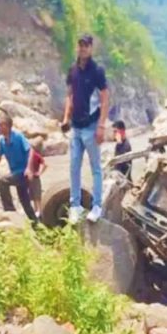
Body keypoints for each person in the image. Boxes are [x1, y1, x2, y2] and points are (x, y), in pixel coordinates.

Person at [62, 33, 110, 224]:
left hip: (91, 126)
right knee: (74, 166)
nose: (82, 48)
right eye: (80, 45)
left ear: (91, 48)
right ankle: (75, 206)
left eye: (86, 45)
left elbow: (105, 99)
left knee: (95, 167)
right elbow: (70, 95)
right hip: (75, 127)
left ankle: (97, 206)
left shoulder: (97, 71)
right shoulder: (72, 70)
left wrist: (101, 126)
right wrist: (65, 118)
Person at [0, 114, 37, 223]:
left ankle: (9, 210)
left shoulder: (18, 137)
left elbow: (31, 151)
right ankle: (36, 224)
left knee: (2, 181)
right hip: (15, 173)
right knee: (24, 201)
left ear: (7, 126)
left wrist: (29, 168)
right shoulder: (2, 141)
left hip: (23, 172)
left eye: (0, 125)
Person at [28, 139, 47, 215]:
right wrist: (39, 173)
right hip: (34, 177)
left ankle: (37, 211)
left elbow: (45, 165)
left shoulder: (34, 155)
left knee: (35, 197)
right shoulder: (37, 155)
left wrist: (39, 173)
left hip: (31, 177)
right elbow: (44, 165)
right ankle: (37, 212)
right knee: (36, 196)